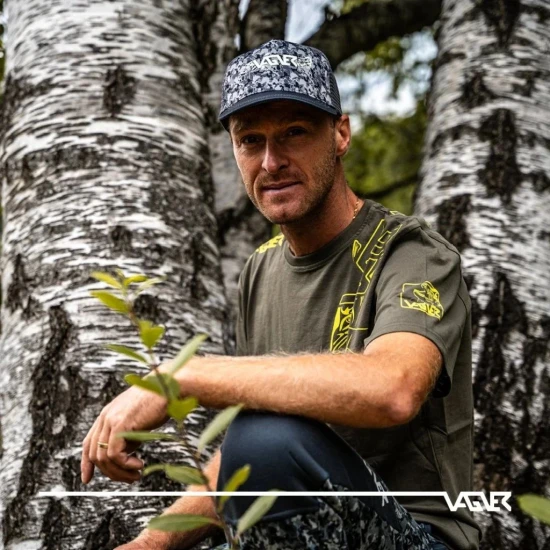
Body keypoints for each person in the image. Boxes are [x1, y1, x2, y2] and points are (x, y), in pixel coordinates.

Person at [81, 40, 481, 550]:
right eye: (251, 140)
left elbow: (394, 389)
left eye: (294, 132)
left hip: (416, 535)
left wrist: (181, 377)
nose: (271, 162)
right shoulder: (260, 272)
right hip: (298, 525)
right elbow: (245, 460)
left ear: (340, 134)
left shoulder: (412, 253)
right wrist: (149, 545)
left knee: (263, 440)